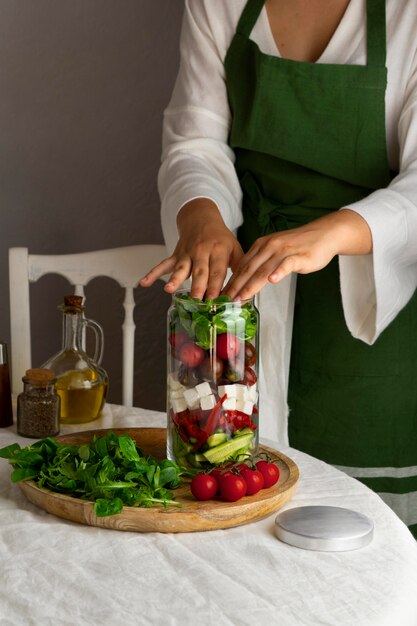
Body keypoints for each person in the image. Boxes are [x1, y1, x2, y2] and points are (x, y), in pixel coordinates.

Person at [140, 0, 417, 538]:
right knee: (228, 514)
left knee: (361, 548)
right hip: (241, 296)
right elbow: (195, 139)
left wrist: (334, 231)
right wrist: (201, 212)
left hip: (371, 307)